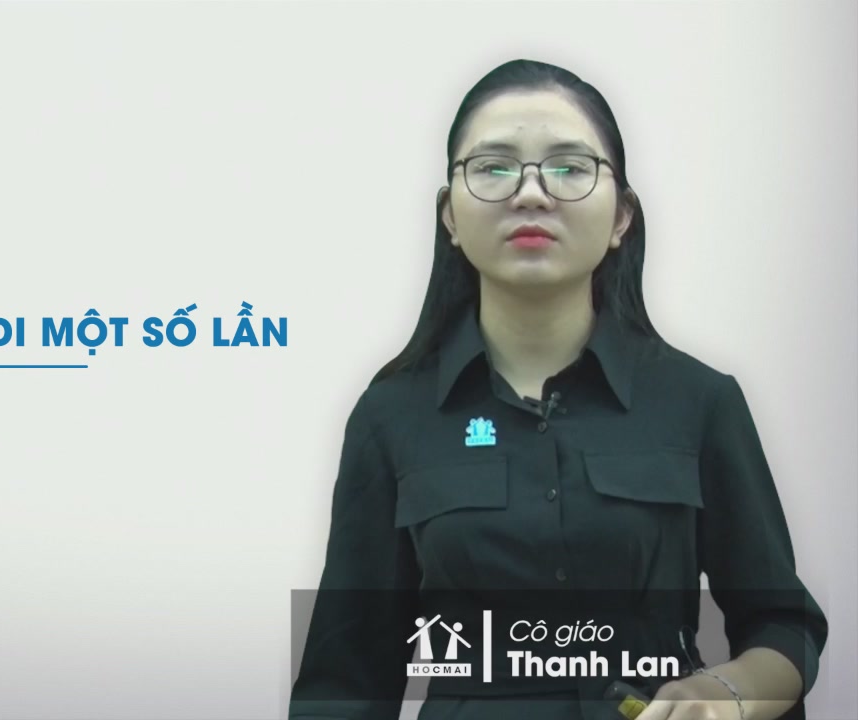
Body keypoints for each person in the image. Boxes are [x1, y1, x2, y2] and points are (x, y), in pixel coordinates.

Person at [287, 59, 828, 720]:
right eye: (494, 168)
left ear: (622, 215)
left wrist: (727, 692)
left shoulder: (700, 402)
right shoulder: (391, 416)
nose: (532, 194)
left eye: (570, 168)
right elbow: (345, 680)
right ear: (450, 216)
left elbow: (784, 623)